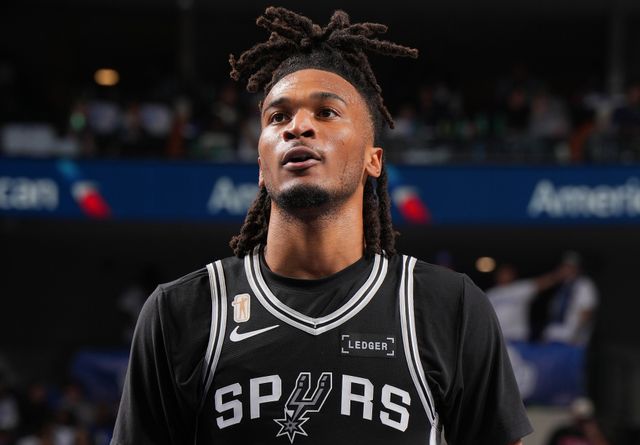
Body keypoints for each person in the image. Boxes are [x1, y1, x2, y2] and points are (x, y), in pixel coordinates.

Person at [111, 7, 532, 445]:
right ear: (261, 165)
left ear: (373, 159)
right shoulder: (181, 311)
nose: (298, 126)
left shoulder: (447, 306)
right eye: (278, 117)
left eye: (327, 112)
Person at [486, 263, 563, 342]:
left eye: (507, 273)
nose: (504, 275)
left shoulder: (520, 288)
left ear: (513, 275)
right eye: (502, 273)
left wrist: (559, 274)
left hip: (516, 336)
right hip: (497, 337)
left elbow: (541, 283)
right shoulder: (491, 294)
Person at [542, 252, 598, 346]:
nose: (565, 270)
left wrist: (577, 336)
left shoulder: (584, 285)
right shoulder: (563, 286)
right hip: (554, 333)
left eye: (569, 267)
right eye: (563, 266)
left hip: (571, 337)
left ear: (577, 269)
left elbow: (586, 312)